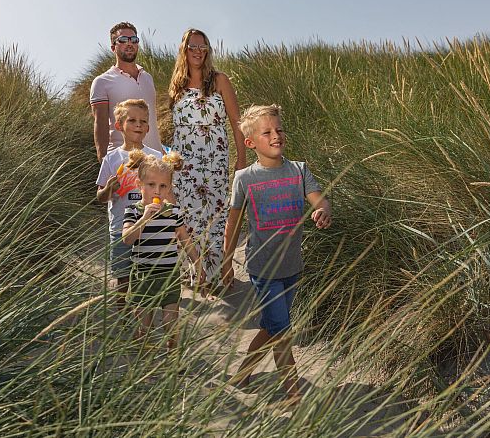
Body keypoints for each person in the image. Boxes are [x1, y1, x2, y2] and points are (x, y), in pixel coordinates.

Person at [222, 104, 332, 404]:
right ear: (250, 143)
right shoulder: (244, 178)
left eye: (279, 130)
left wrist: (322, 211)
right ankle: (294, 396)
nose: (276, 136)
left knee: (272, 325)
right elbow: (232, 223)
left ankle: (242, 372)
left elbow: (320, 199)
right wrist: (226, 261)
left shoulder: (299, 170)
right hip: (262, 267)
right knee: (282, 332)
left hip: (292, 267)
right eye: (267, 132)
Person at [168, 28, 247, 289]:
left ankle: (218, 274)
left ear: (208, 51)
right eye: (193, 46)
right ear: (184, 49)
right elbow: (176, 128)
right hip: (183, 162)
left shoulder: (219, 80)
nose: (198, 51)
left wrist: (241, 158)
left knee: (215, 215)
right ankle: (195, 275)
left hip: (214, 158)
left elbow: (237, 122)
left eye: (203, 47)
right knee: (187, 216)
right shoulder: (176, 84)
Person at [122, 149, 205, 349]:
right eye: (151, 185)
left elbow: (184, 238)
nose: (157, 191)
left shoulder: (173, 212)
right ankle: (142, 350)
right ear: (139, 185)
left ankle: (173, 355)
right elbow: (127, 239)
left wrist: (197, 262)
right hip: (144, 275)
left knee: (171, 323)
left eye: (163, 186)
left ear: (169, 189)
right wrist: (144, 219)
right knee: (145, 325)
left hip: (169, 275)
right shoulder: (133, 211)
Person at [96, 99, 161, 308]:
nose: (138, 125)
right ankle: (123, 315)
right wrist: (108, 189)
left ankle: (145, 315)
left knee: (148, 278)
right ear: (119, 126)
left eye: (143, 121)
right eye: (132, 120)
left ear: (148, 127)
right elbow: (100, 197)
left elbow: (166, 189)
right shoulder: (112, 159)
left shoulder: (156, 156)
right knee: (123, 277)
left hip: (150, 227)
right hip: (120, 228)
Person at [90, 21, 162, 161]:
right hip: (123, 161)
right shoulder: (102, 82)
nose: (129, 44)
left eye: (134, 40)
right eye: (123, 40)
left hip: (154, 160)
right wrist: (105, 162)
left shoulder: (148, 78)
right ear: (113, 47)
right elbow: (100, 124)